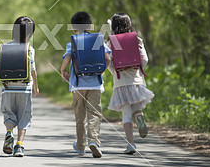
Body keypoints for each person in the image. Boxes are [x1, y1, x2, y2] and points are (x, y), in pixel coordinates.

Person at [0, 16, 40, 157]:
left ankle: (9, 133)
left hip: (7, 89)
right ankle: (19, 146)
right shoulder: (29, 49)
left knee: (9, 115)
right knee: (24, 117)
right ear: (30, 34)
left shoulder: (4, 47)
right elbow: (33, 71)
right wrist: (36, 87)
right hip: (24, 89)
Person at [60, 11, 111, 158]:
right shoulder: (98, 40)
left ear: (74, 28)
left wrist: (63, 70)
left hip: (77, 85)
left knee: (79, 116)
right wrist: (100, 70)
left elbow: (68, 58)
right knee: (95, 114)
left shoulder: (73, 42)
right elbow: (107, 59)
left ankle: (81, 146)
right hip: (95, 84)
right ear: (89, 25)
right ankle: (94, 141)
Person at [107, 13, 154, 154]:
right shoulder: (137, 40)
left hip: (121, 83)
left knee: (126, 115)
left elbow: (109, 62)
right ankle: (139, 117)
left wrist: (115, 72)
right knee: (137, 109)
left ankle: (131, 144)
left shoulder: (111, 42)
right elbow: (144, 60)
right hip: (137, 82)